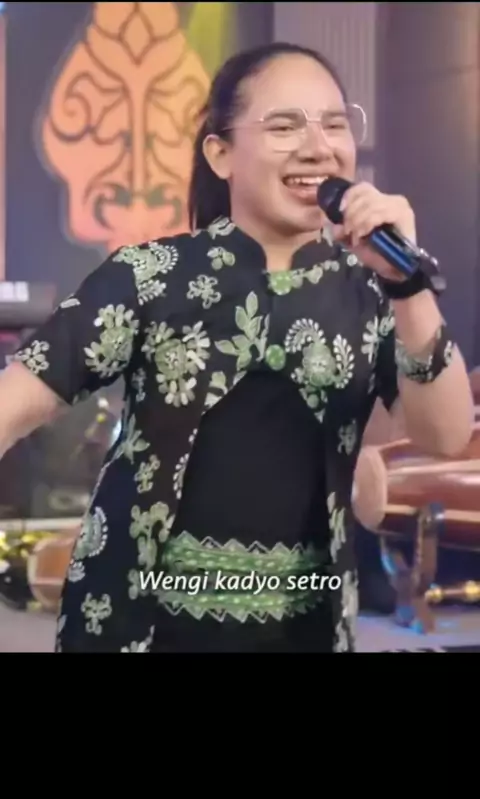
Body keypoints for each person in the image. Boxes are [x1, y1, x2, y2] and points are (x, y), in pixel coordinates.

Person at [0, 42, 473, 652]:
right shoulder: (151, 276)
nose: (318, 146)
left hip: (304, 629)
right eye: (284, 125)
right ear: (220, 154)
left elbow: (445, 434)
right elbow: (15, 403)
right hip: (138, 628)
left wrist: (406, 286)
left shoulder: (370, 291)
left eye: (334, 124)